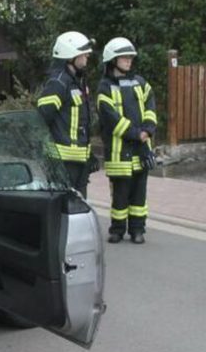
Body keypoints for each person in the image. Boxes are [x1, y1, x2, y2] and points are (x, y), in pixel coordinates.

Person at [97, 37, 157, 244]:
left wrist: (147, 130)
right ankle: (117, 229)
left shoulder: (141, 83)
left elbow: (151, 107)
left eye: (130, 57)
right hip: (119, 152)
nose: (129, 60)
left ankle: (138, 230)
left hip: (141, 150)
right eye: (124, 57)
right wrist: (136, 134)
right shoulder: (105, 87)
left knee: (139, 194)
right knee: (120, 195)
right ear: (112, 60)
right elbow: (110, 118)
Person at [36, 31, 94, 197]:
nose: (87, 56)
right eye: (83, 53)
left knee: (79, 206)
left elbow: (82, 122)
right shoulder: (58, 82)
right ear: (71, 55)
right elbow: (42, 118)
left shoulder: (77, 81)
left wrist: (88, 154)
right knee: (64, 207)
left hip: (78, 160)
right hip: (62, 163)